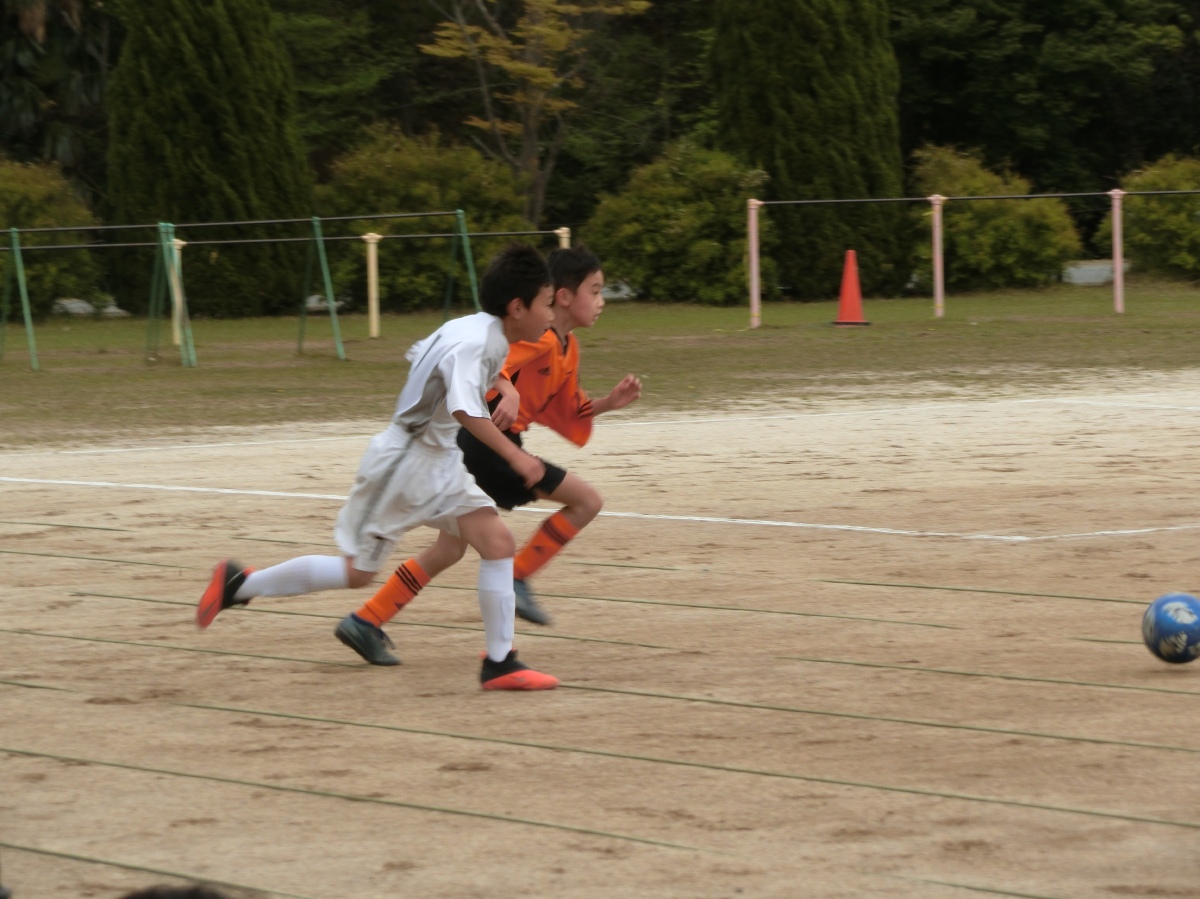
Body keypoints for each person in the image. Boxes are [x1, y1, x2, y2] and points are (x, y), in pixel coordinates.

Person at [197, 244, 559, 690]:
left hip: (439, 462)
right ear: (517, 307)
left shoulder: (474, 328)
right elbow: (466, 409)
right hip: (405, 464)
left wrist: (507, 387)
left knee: (497, 543)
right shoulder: (479, 340)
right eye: (547, 303)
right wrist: (516, 455)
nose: (551, 314)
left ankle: (500, 663)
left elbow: (435, 357)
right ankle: (239, 585)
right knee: (357, 573)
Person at [352, 245, 640, 630]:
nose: (602, 301)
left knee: (449, 548)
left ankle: (366, 620)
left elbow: (569, 408)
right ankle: (516, 577)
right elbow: (492, 359)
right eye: (595, 290)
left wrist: (608, 403)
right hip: (487, 445)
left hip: (478, 447)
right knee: (586, 501)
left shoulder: (567, 348)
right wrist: (507, 387)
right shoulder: (538, 337)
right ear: (564, 297)